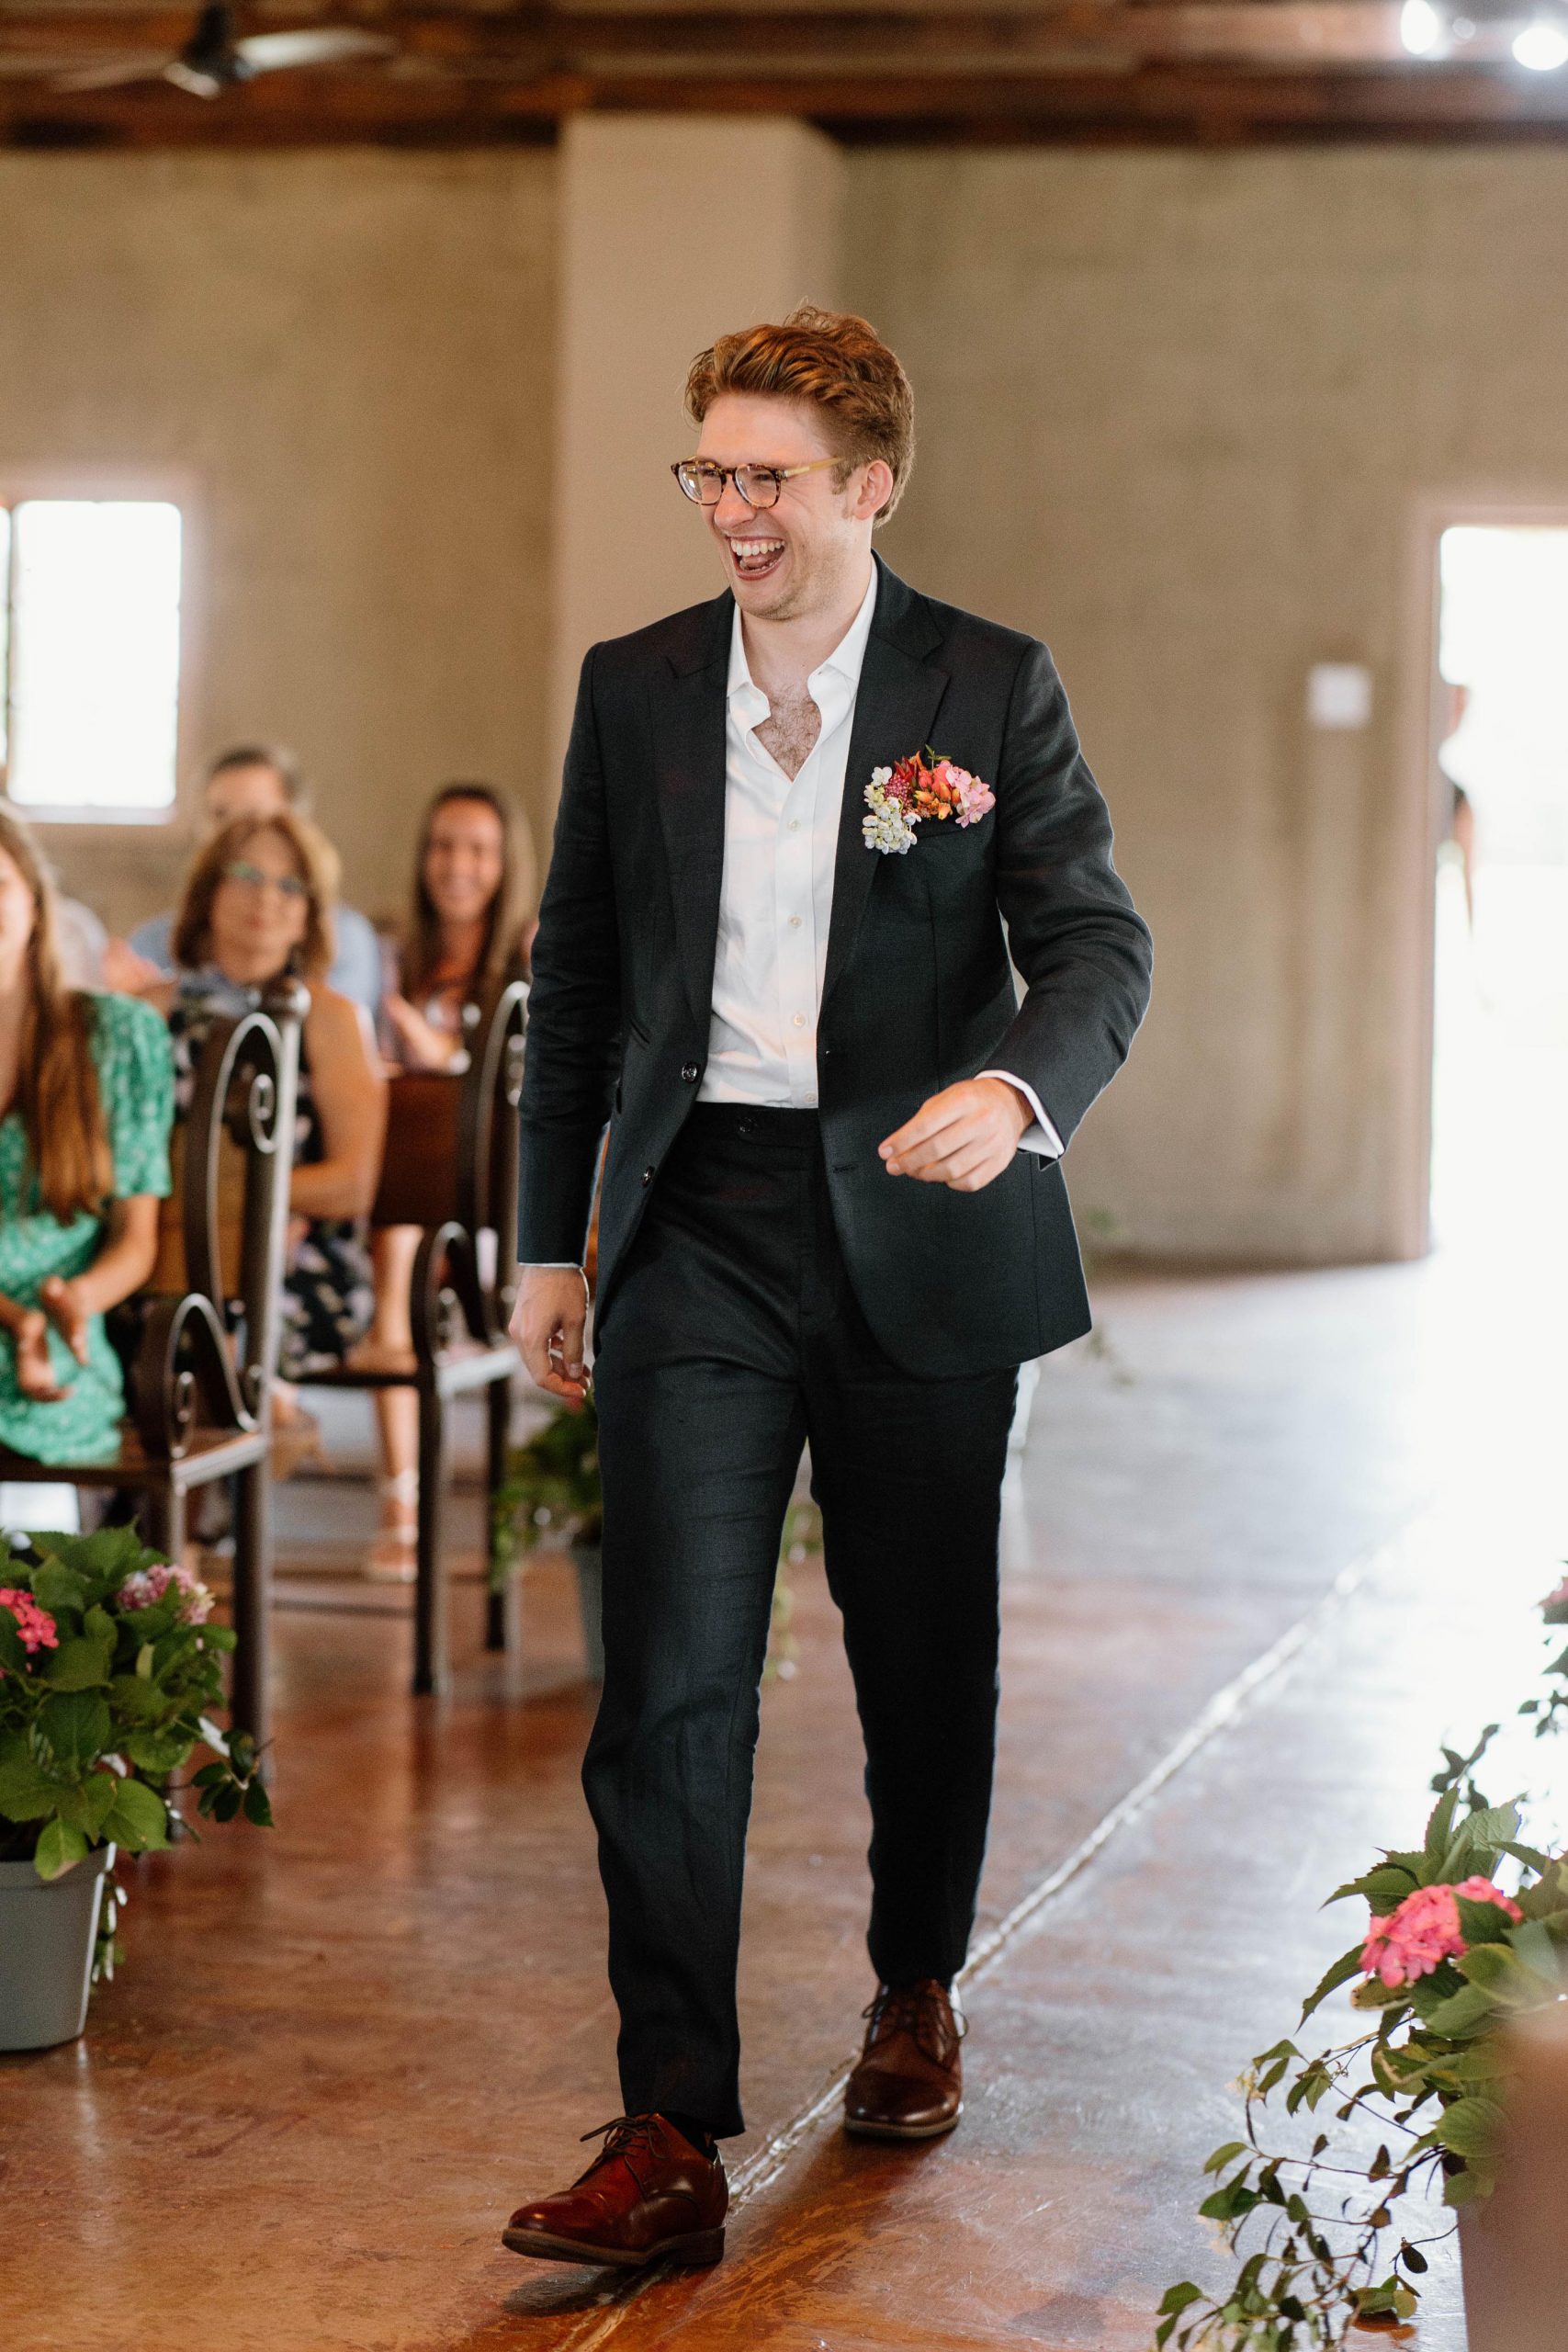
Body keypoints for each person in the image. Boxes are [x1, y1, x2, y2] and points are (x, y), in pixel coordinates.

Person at [503, 306, 1152, 2267]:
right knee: (670, 1672)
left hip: (917, 1221)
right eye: (710, 469)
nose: (733, 505)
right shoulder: (632, 686)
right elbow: (577, 980)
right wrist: (549, 1241)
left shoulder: (989, 682)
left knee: (920, 1647)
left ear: (870, 485)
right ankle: (667, 2123)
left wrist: (1012, 1095)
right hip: (696, 1220)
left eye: (769, 474)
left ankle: (912, 1987)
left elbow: (1096, 945)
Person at [358, 782, 535, 1579]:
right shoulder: (396, 962)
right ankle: (399, 1501)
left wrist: (450, 1064)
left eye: (477, 850)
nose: (456, 865)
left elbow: (539, 1094)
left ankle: (384, 1338)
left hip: (490, 1205)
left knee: (400, 1245)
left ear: (503, 864)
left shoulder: (527, 961)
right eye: (442, 846)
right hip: (392, 1203)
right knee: (393, 1237)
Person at [151, 811, 386, 1388]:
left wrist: (232, 1202)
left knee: (220, 1334)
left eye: (290, 885)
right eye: (247, 875)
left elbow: (353, 1185)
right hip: (165, 1246)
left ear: (309, 915)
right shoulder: (149, 1010)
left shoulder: (332, 1021)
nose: (267, 898)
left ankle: (247, 1424)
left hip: (297, 1257)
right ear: (209, 892)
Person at [0, 806, 175, 1471]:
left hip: (58, 1327)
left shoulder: (115, 1037)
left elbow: (136, 1240)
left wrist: (71, 1303)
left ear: (36, 903)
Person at [110, 744, 384, 1018]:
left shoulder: (343, 938)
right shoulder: (155, 939)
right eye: (220, 815)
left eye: (254, 815)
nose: (236, 833)